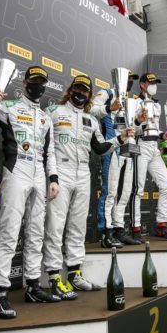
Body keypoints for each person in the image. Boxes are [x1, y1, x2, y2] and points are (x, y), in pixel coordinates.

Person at [0, 66, 61, 319]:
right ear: (24, 83)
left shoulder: (46, 118)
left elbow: (50, 153)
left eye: (42, 82)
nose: (38, 85)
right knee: (9, 231)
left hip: (39, 175)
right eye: (34, 81)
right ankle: (0, 294)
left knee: (35, 233)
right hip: (16, 171)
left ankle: (33, 286)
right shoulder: (8, 106)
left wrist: (53, 178)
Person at [42, 75, 135, 300]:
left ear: (89, 95)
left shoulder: (91, 120)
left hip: (84, 174)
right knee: (55, 226)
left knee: (77, 226)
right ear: (70, 89)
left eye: (85, 91)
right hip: (60, 173)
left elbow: (100, 148)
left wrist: (120, 139)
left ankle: (75, 273)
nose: (81, 94)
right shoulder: (53, 111)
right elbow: (45, 147)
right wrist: (52, 176)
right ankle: (54, 278)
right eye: (78, 89)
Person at [91, 71, 140, 248]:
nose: (130, 83)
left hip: (129, 148)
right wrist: (109, 108)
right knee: (110, 192)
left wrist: (139, 123)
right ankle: (106, 233)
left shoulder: (130, 100)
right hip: (111, 147)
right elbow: (91, 110)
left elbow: (131, 126)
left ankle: (119, 230)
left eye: (132, 80)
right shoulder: (107, 93)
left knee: (125, 192)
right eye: (128, 79)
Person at [132, 73, 167, 238]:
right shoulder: (134, 102)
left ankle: (161, 225)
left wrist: (163, 135)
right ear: (142, 84)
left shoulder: (157, 105)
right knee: (138, 189)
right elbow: (131, 128)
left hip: (154, 148)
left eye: (155, 82)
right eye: (150, 82)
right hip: (140, 145)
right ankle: (135, 227)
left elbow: (154, 128)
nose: (153, 85)